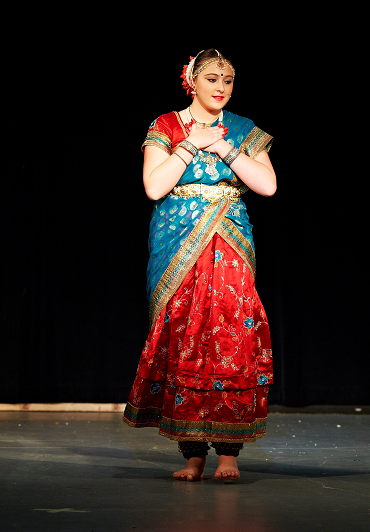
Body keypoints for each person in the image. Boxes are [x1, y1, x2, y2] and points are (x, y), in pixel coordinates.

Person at [123, 49, 276, 481]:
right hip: (177, 241)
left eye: (227, 81)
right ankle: (191, 452)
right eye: (212, 79)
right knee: (183, 330)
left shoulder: (242, 130)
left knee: (231, 334)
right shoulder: (166, 126)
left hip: (229, 239)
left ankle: (229, 452)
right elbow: (155, 187)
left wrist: (225, 148)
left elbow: (266, 185)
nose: (221, 88)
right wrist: (191, 144)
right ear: (191, 80)